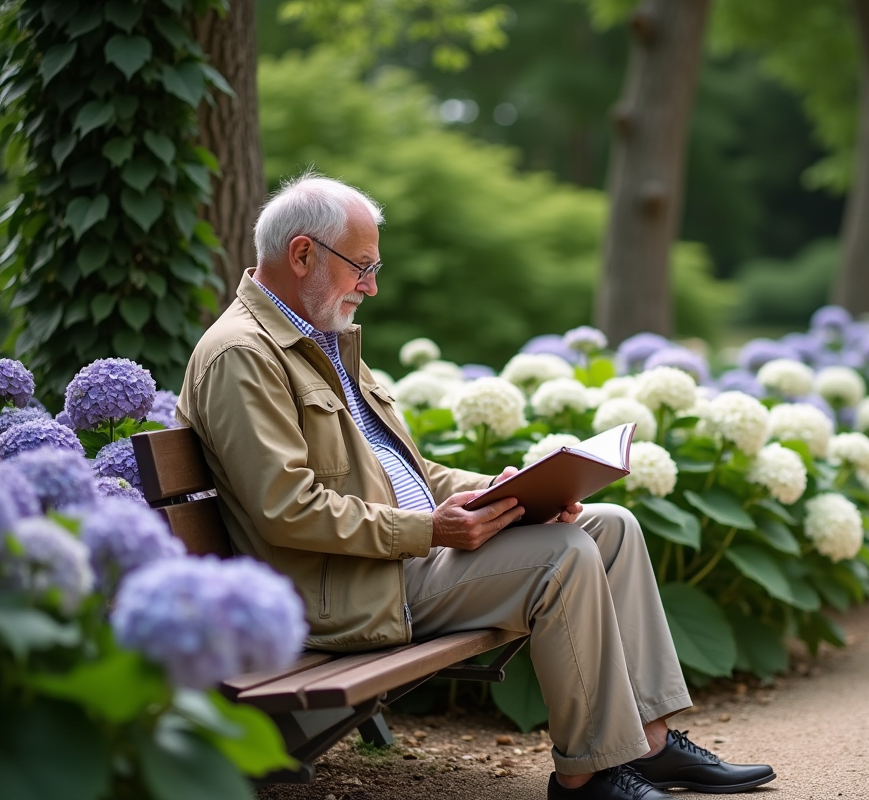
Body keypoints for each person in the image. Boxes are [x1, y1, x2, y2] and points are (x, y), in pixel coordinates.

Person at [177, 173, 776, 800]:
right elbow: (286, 509)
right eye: (363, 266)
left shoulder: (320, 342)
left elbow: (405, 470)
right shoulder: (242, 355)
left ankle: (647, 746)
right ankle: (586, 778)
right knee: (564, 555)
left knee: (611, 529)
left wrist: (501, 488)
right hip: (347, 589)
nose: (372, 285)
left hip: (399, 559)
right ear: (302, 254)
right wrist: (432, 529)